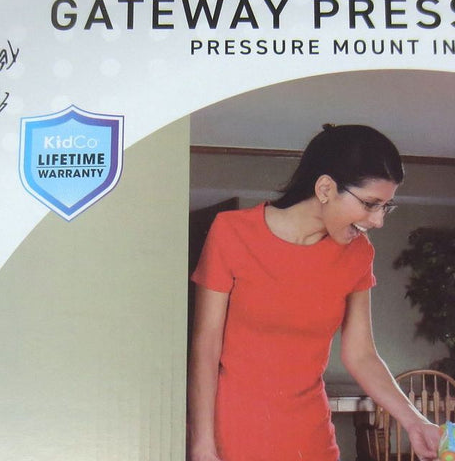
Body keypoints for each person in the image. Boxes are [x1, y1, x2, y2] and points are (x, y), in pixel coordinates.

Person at [188, 124, 443, 461]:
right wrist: (202, 445)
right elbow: (205, 348)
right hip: (233, 435)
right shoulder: (231, 232)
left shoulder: (358, 254)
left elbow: (362, 354)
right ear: (325, 188)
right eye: (370, 204)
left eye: (386, 207)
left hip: (311, 439)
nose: (378, 220)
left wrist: (415, 422)